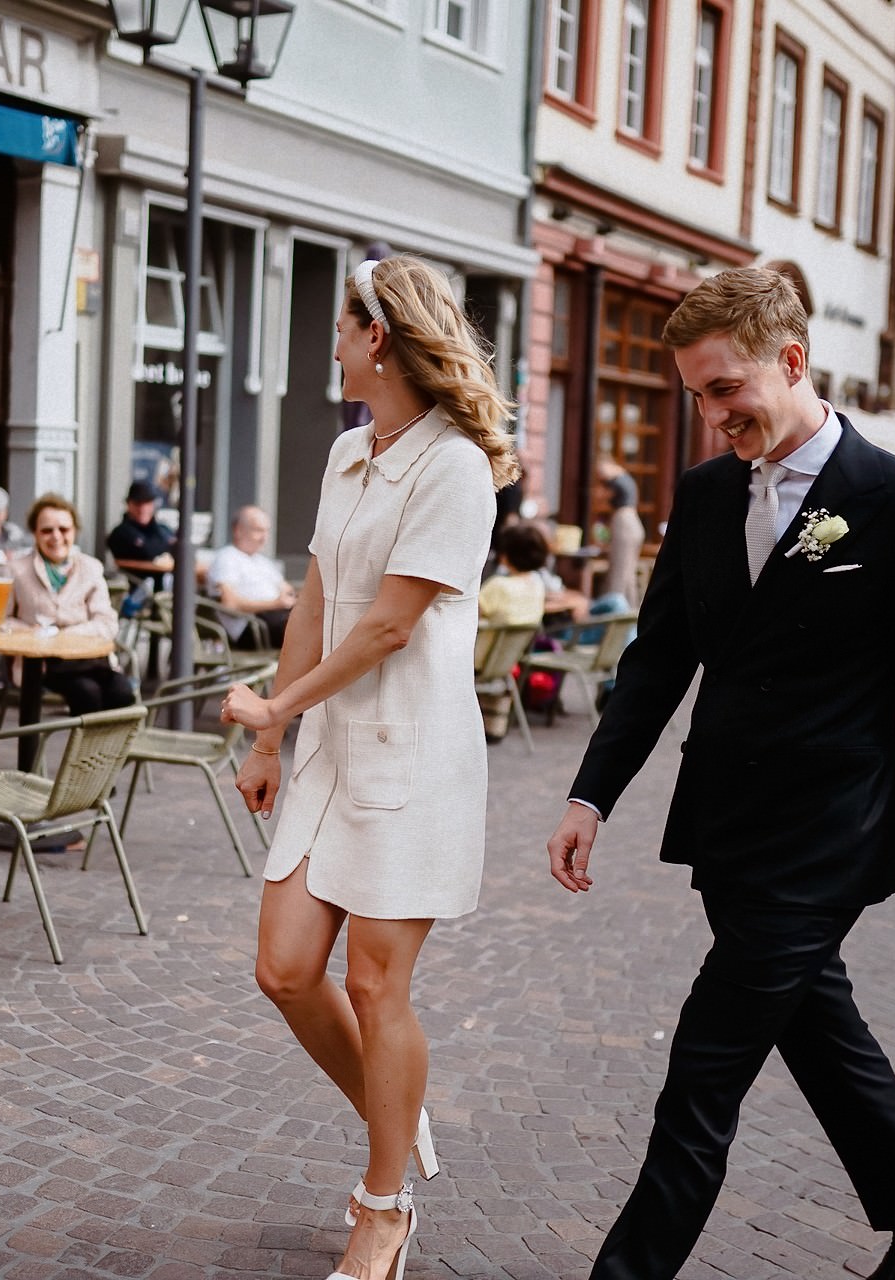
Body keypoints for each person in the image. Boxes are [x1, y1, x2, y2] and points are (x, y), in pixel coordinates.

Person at [543, 266, 895, 1280]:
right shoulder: (709, 495)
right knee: (816, 1022)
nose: (711, 416)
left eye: (725, 390)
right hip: (727, 829)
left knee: (704, 1070)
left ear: (791, 362)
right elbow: (659, 655)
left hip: (828, 835)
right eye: (696, 397)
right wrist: (591, 793)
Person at [220, 254, 516, 1280]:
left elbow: (391, 622)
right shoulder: (350, 452)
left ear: (379, 335)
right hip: (330, 751)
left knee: (376, 984)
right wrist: (272, 737)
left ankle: (383, 1203)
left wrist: (276, 704)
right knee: (285, 967)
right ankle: (398, 1115)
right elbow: (317, 597)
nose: (333, 342)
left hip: (413, 754)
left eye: (343, 326)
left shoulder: (456, 465)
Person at [6, 494, 135, 714]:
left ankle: (105, 749)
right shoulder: (17, 569)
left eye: (63, 529)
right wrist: (30, 632)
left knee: (122, 692)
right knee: (87, 692)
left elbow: (107, 623)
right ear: (35, 533)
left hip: (91, 659)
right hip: (44, 665)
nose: (56, 537)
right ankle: (83, 750)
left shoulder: (91, 567)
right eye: (47, 530)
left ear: (74, 531)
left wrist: (60, 634)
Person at [476, 523, 548, 742]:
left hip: (478, 661)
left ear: (505, 556)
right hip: (507, 662)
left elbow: (470, 613)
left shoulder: (498, 586)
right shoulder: (538, 584)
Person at [206, 506, 296, 648]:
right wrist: (275, 604)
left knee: (318, 621)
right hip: (254, 626)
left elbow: (287, 589)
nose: (264, 538)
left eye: (267, 531)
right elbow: (230, 603)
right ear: (239, 531)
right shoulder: (227, 558)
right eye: (258, 530)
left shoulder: (262, 561)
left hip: (277, 618)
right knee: (307, 628)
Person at [106, 479, 178, 587]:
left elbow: (178, 550)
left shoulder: (162, 528)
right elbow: (148, 551)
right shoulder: (121, 532)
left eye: (147, 503)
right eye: (137, 504)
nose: (142, 508)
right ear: (128, 504)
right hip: (135, 590)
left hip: (164, 587)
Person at [595, 459, 644, 609]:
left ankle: (613, 612)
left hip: (625, 522)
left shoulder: (617, 481)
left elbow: (601, 496)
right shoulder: (626, 480)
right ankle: (629, 612)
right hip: (633, 522)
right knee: (627, 574)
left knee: (618, 573)